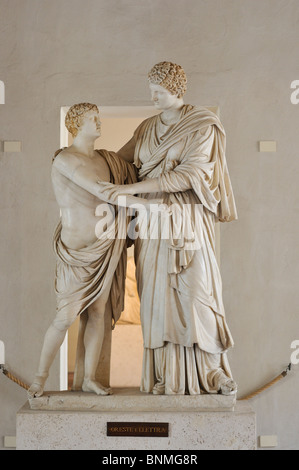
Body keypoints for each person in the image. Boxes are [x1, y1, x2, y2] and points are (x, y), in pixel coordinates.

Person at [97, 62, 238, 395]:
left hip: (188, 221)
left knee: (197, 295)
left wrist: (130, 191)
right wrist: (80, 162)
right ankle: (166, 376)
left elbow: (190, 175)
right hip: (152, 224)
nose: (153, 98)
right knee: (156, 301)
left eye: (158, 92)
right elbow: (121, 162)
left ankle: (211, 372)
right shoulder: (147, 128)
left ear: (176, 89)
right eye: (151, 92)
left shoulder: (202, 125)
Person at [28, 103, 159, 398]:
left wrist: (151, 132)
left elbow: (131, 167)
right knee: (64, 318)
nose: (98, 123)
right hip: (77, 253)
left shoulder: (105, 159)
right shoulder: (65, 159)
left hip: (105, 247)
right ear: (76, 123)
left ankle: (88, 378)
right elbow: (103, 191)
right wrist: (151, 206)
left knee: (98, 313)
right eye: (92, 119)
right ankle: (39, 379)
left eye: (99, 117)